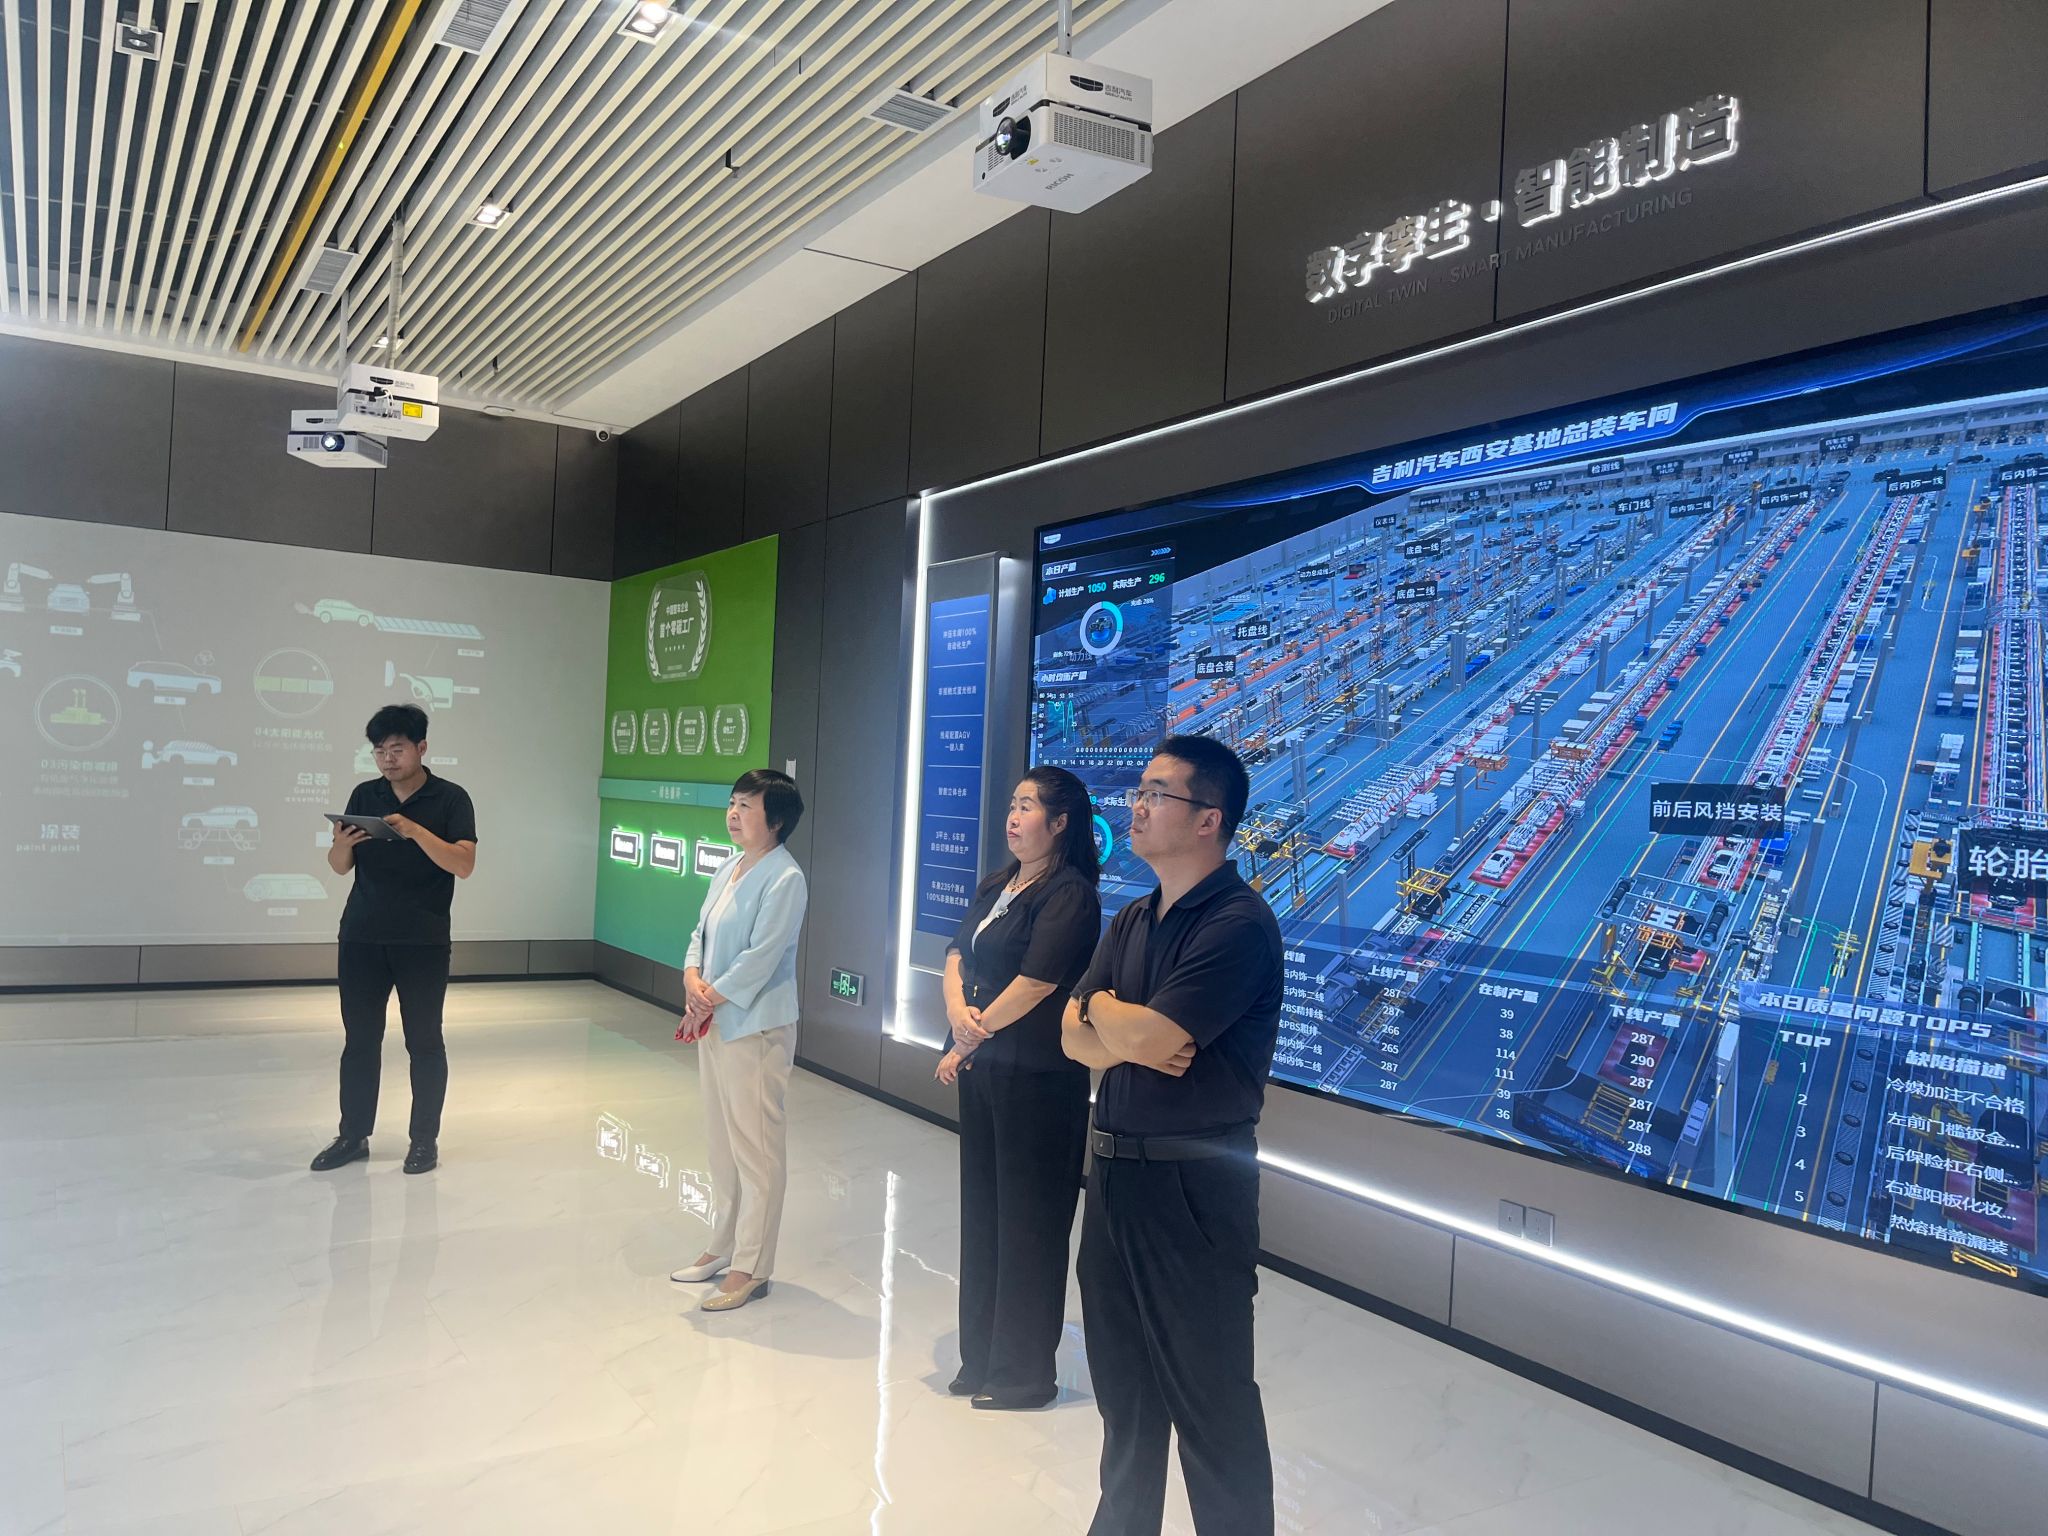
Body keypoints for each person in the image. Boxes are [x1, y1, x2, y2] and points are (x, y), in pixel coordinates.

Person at [1061, 734, 1283, 1536]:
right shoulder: (1133, 917)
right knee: (1125, 1398)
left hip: (1193, 1190)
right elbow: (1072, 1036)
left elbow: (1153, 1039)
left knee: (1211, 1404)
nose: (1138, 806)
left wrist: (1112, 1021)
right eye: (1140, 791)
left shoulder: (1238, 923)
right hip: (1114, 1175)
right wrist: (1112, 1017)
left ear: (1208, 819)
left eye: (1158, 793)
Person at [937, 767, 1102, 1411]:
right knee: (984, 1215)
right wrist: (958, 1014)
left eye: (1027, 807)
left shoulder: (1071, 895)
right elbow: (957, 952)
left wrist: (966, 1038)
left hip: (1038, 1081)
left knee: (1030, 1224)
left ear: (1060, 823)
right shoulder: (998, 883)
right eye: (1012, 804)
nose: (1013, 817)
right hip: (985, 1071)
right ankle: (979, 1359)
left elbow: (1036, 983)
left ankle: (1023, 1374)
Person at [310, 704, 478, 1176]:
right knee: (360, 1040)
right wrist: (342, 844)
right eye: (380, 750)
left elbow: (463, 865)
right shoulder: (366, 794)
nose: (387, 758)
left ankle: (423, 1141)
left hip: (422, 940)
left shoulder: (451, 798)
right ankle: (352, 1136)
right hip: (361, 936)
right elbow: (340, 867)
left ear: (421, 748)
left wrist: (415, 831)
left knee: (424, 1041)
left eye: (397, 749)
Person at [670, 769, 809, 1313]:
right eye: (732, 803)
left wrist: (710, 995)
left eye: (747, 806)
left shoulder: (785, 877)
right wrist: (692, 976)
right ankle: (723, 1244)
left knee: (757, 1150)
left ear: (775, 820)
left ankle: (752, 1265)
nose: (733, 813)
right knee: (722, 1143)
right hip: (717, 1021)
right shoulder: (729, 866)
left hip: (756, 1027)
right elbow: (699, 933)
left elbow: (762, 956)